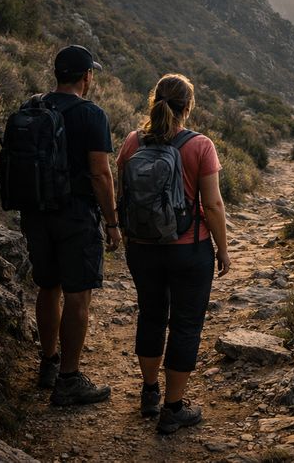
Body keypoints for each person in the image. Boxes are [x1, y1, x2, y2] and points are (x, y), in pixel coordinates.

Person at [116, 73, 231, 434]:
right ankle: (173, 409)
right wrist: (223, 250)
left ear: (154, 101)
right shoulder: (200, 146)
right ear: (189, 106)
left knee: (150, 316)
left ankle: (150, 393)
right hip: (189, 250)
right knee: (185, 325)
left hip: (143, 249)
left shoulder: (132, 143)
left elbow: (125, 197)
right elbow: (212, 205)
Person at [19, 45, 122, 406]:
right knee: (78, 295)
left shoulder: (32, 106)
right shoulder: (91, 114)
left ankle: (48, 363)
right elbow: (100, 173)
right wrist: (112, 223)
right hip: (76, 215)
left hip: (35, 212)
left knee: (48, 287)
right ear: (86, 76)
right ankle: (69, 379)